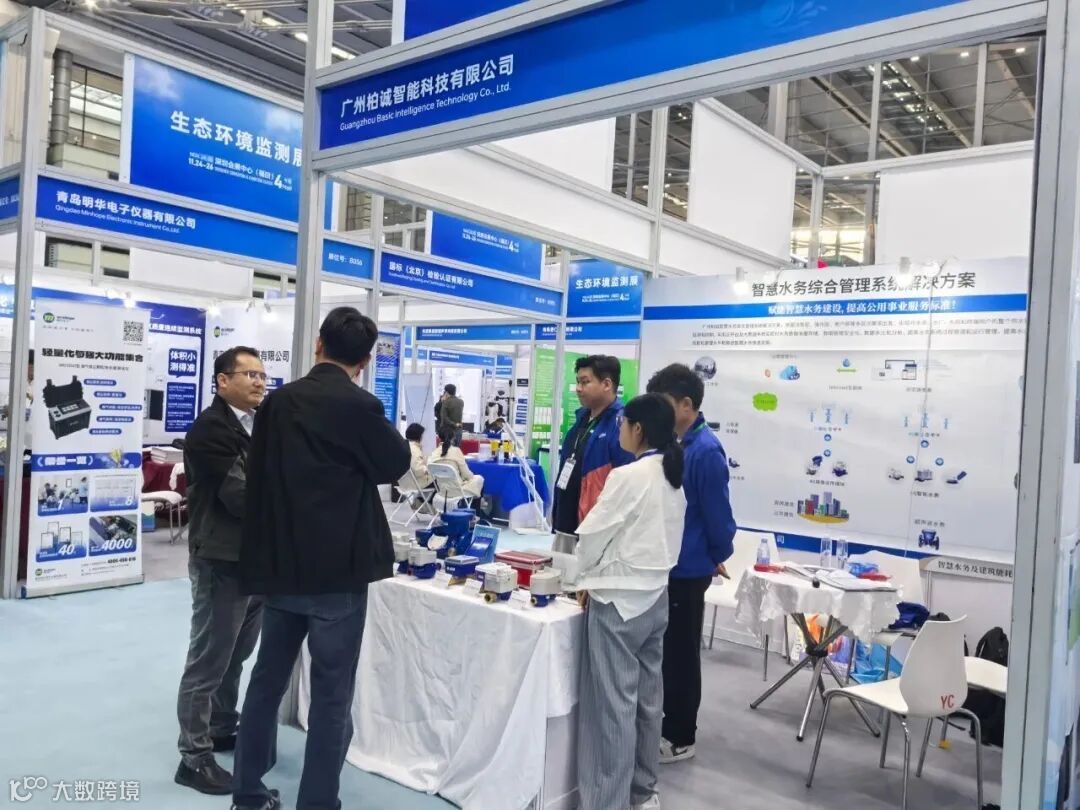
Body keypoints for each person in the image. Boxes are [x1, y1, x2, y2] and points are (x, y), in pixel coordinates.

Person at [232, 307, 410, 810]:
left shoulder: (278, 403)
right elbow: (395, 462)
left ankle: (246, 793)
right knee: (331, 695)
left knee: (266, 682)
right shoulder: (361, 406)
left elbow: (258, 477)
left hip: (283, 565)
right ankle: (317, 802)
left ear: (318, 344)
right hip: (338, 571)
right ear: (365, 361)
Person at [573, 393, 686, 810]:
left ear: (638, 429)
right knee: (646, 702)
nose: (619, 428)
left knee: (612, 708)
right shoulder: (671, 475)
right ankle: (643, 793)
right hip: (655, 597)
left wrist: (580, 577)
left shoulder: (630, 476)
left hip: (618, 603)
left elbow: (593, 535)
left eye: (624, 423)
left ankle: (607, 802)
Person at [175, 346, 267, 795]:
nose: (259, 382)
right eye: (249, 374)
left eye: (263, 375)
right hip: (221, 559)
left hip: (255, 560)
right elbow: (241, 496)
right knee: (209, 660)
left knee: (236, 655)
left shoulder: (259, 425)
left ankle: (221, 727)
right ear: (222, 381)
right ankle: (193, 758)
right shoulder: (211, 429)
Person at [646, 363, 737, 764]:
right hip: (667, 564)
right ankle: (664, 725)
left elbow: (719, 517)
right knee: (665, 653)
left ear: (687, 404)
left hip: (688, 569)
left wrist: (715, 556)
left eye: (665, 403)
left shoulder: (706, 451)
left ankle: (682, 735)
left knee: (682, 655)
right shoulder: (675, 443)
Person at [552, 355, 634, 554]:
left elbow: (624, 483)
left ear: (606, 384)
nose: (578, 388)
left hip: (596, 529)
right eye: (578, 382)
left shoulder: (621, 424)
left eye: (585, 382)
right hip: (566, 521)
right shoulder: (581, 418)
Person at [429, 426, 485, 500]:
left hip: (442, 491)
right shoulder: (456, 451)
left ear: (439, 438)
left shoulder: (434, 453)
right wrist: (469, 478)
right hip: (458, 491)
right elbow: (466, 475)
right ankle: (475, 506)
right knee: (479, 478)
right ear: (453, 438)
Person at [404, 422, 434, 490]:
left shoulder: (405, 446)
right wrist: (429, 469)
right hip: (415, 484)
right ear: (419, 436)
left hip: (405, 483)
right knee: (438, 480)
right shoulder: (414, 450)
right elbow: (419, 470)